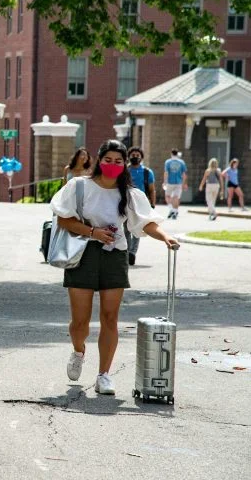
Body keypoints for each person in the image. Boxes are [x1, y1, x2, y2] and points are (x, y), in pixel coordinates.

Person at [51, 140, 178, 396]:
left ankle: (104, 375)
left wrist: (165, 237)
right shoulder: (79, 186)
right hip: (83, 255)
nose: (112, 165)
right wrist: (93, 232)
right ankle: (78, 351)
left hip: (115, 256)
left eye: (118, 161)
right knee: (80, 321)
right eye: (108, 159)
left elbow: (146, 222)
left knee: (110, 318)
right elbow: (64, 219)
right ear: (99, 160)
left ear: (124, 164)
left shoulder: (129, 194)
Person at [125, 146, 156, 266]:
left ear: (141, 157)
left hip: (141, 205)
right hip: (126, 203)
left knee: (137, 229)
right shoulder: (125, 170)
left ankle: (132, 253)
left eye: (137, 155)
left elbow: (152, 189)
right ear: (129, 157)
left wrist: (152, 204)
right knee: (126, 228)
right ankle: (127, 251)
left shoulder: (147, 172)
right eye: (133, 155)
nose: (135, 157)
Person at [163, 148, 187, 219]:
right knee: (176, 197)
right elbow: (184, 174)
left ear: (171, 154)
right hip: (179, 182)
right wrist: (184, 183)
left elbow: (166, 172)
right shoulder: (181, 162)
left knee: (167, 196)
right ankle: (175, 211)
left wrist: (165, 182)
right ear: (177, 154)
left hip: (170, 182)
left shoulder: (168, 162)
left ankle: (171, 209)